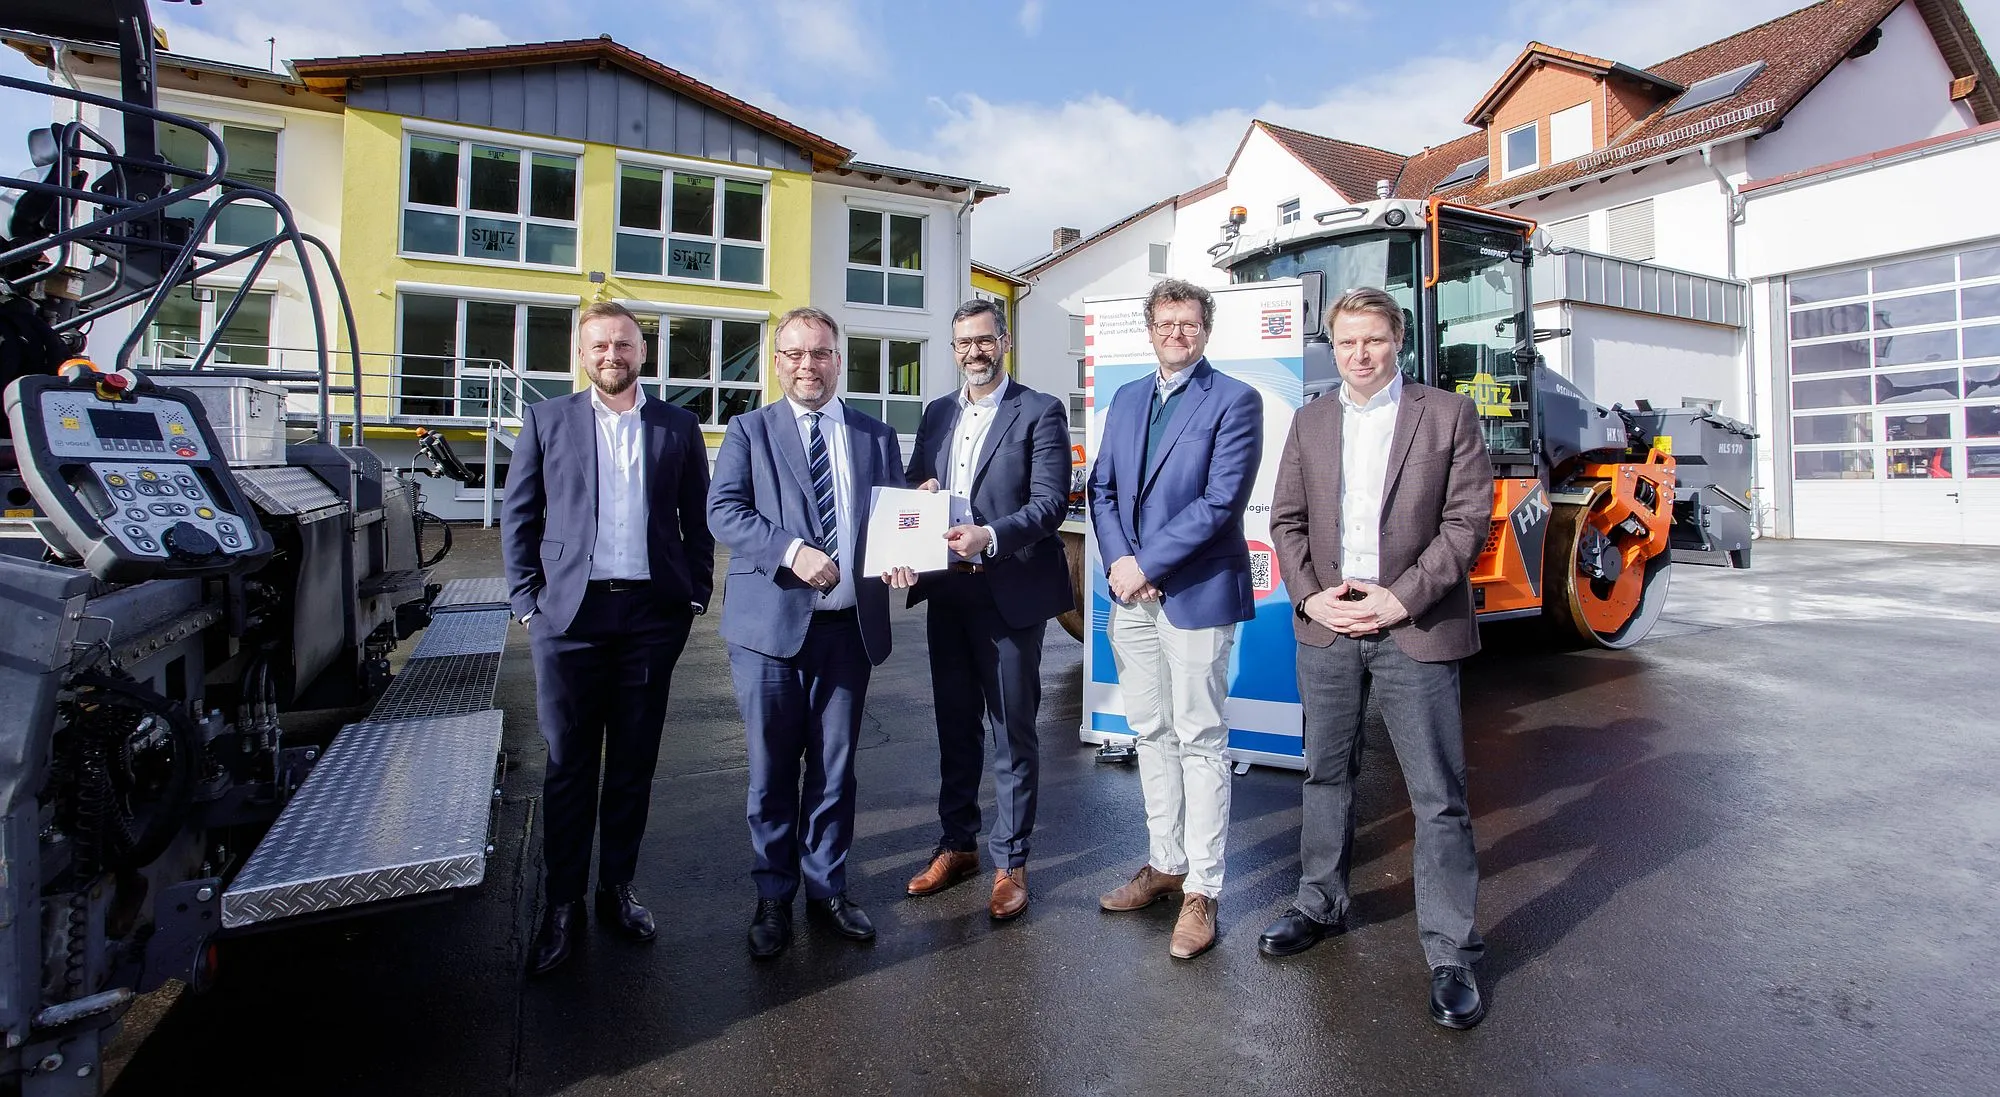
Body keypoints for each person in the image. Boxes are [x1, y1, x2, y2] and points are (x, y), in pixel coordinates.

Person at [1256, 287, 1492, 1029]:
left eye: (1374, 340)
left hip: (1411, 625)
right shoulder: (1311, 420)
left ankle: (1451, 952)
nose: (1360, 354)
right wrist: (1310, 598)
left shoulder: (1447, 414)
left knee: (1437, 794)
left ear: (1399, 341)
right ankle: (1319, 903)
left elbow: (1467, 522)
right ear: (1333, 347)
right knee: (1327, 774)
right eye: (1347, 342)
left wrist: (1401, 599)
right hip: (1329, 626)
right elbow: (1286, 520)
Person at [502, 300, 715, 977]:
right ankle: (561, 902)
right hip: (568, 620)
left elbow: (697, 519)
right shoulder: (548, 420)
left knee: (632, 763)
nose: (611, 355)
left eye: (623, 344)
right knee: (568, 765)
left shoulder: (678, 426)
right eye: (599, 345)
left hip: (650, 619)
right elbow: (519, 514)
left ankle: (616, 888)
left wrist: (694, 592)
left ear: (642, 351)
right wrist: (527, 604)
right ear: (581, 353)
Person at [708, 305, 904, 959]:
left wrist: (906, 553)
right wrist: (793, 551)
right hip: (767, 633)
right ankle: (773, 896)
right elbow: (723, 510)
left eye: (819, 353)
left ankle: (827, 890)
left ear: (838, 360)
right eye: (794, 354)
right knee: (771, 772)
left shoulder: (876, 436)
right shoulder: (749, 430)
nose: (807, 365)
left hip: (847, 631)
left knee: (834, 771)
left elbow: (894, 520)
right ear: (777, 362)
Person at [1086, 278, 1262, 960]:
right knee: (1151, 731)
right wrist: (1119, 562)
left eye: (1188, 323)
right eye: (1165, 323)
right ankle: (1166, 863)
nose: (1176, 333)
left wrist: (1147, 563)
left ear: (1205, 329)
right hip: (1131, 594)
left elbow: (1221, 502)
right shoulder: (1129, 398)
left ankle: (1203, 890)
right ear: (1151, 330)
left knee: (1200, 737)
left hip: (1195, 592)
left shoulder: (1235, 400)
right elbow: (1102, 487)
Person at [895, 299, 1072, 921]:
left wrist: (989, 536)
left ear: (1004, 342)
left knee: (1012, 731)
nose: (974, 351)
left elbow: (1050, 504)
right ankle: (958, 844)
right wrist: (915, 505)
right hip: (947, 591)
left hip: (1008, 593)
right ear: (953, 349)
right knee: (954, 725)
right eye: (963, 342)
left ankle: (1011, 861)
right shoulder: (937, 412)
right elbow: (915, 486)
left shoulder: (1040, 410)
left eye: (984, 340)